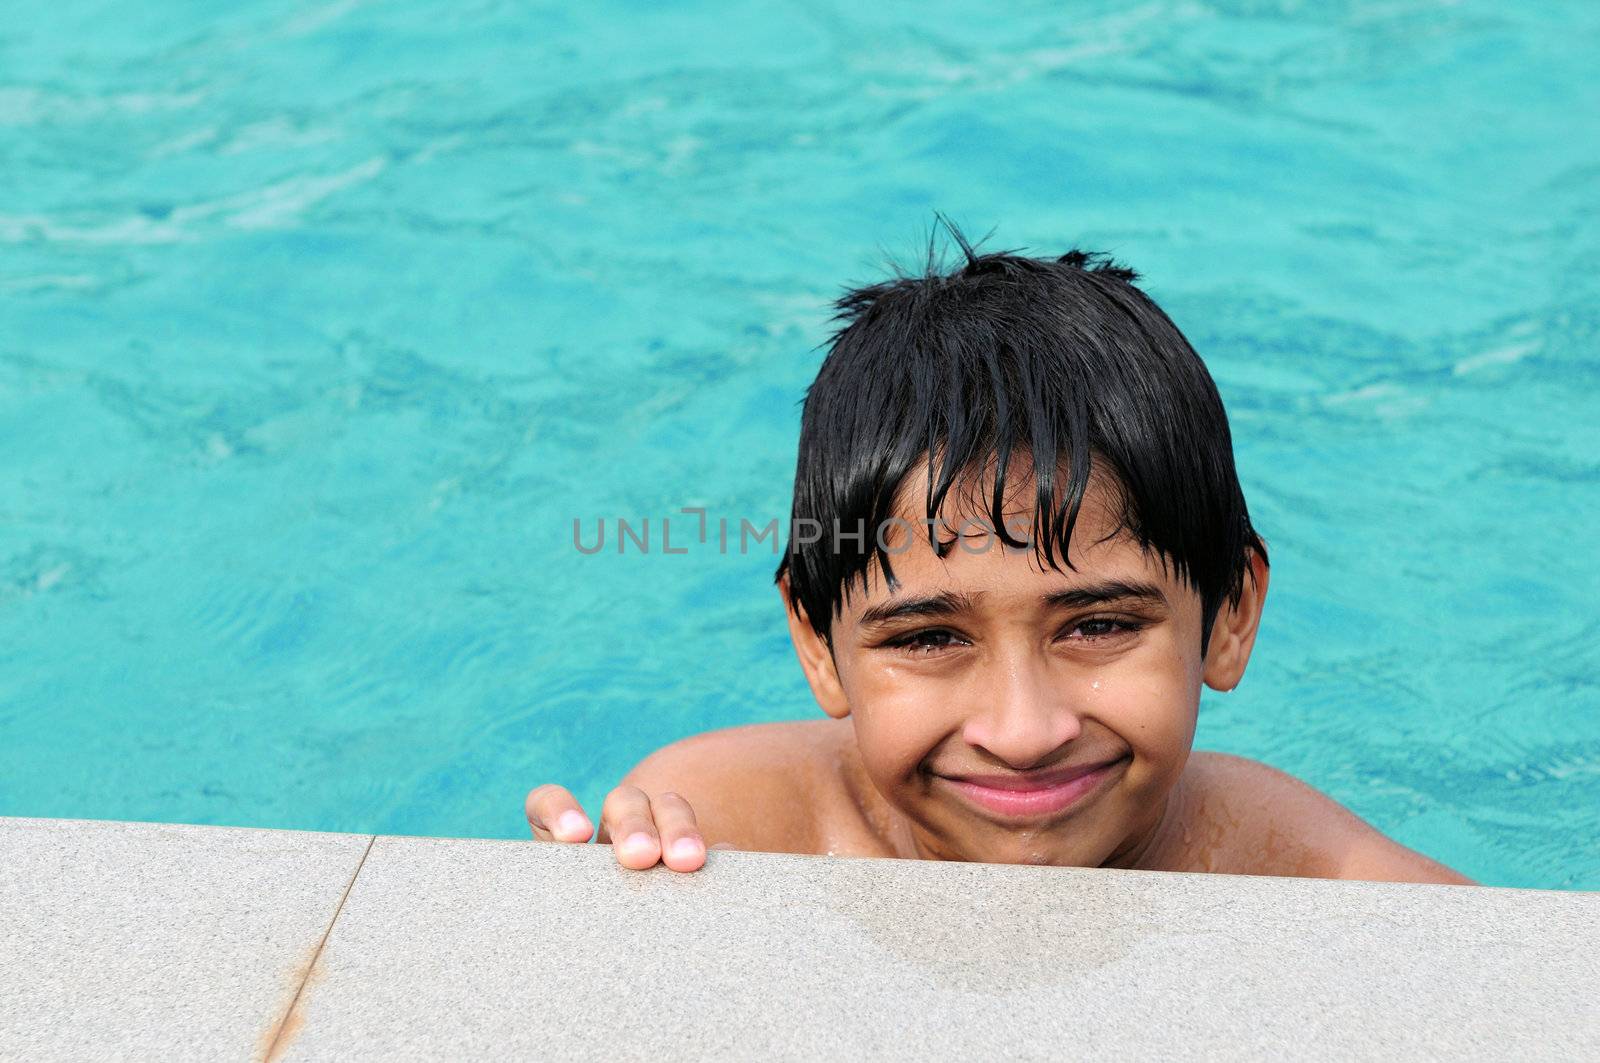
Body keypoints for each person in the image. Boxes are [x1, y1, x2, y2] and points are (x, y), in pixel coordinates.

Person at [527, 224, 1472, 885]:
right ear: (817, 643)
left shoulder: (1283, 860)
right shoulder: (735, 826)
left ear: (1230, 614)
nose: (1023, 733)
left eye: (1099, 624)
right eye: (931, 638)